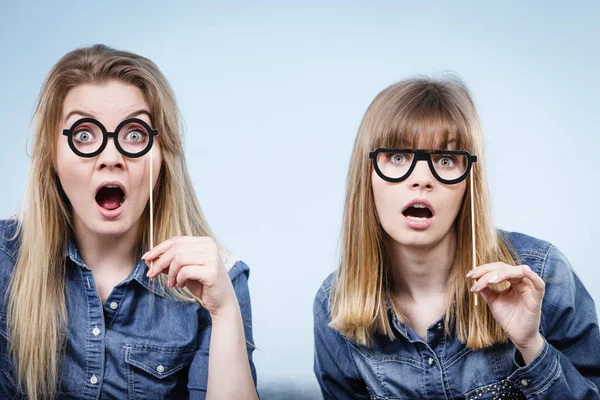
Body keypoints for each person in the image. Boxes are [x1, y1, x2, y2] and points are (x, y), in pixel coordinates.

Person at [313, 75, 600, 399]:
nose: (422, 179)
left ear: (469, 183)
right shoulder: (333, 305)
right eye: (397, 157)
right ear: (366, 175)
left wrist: (532, 347)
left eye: (445, 160)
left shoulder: (542, 274)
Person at [0, 44, 258, 399]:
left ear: (163, 155)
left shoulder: (219, 279)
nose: (110, 157)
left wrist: (225, 312)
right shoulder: (5, 258)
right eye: (84, 134)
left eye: (134, 134)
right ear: (52, 156)